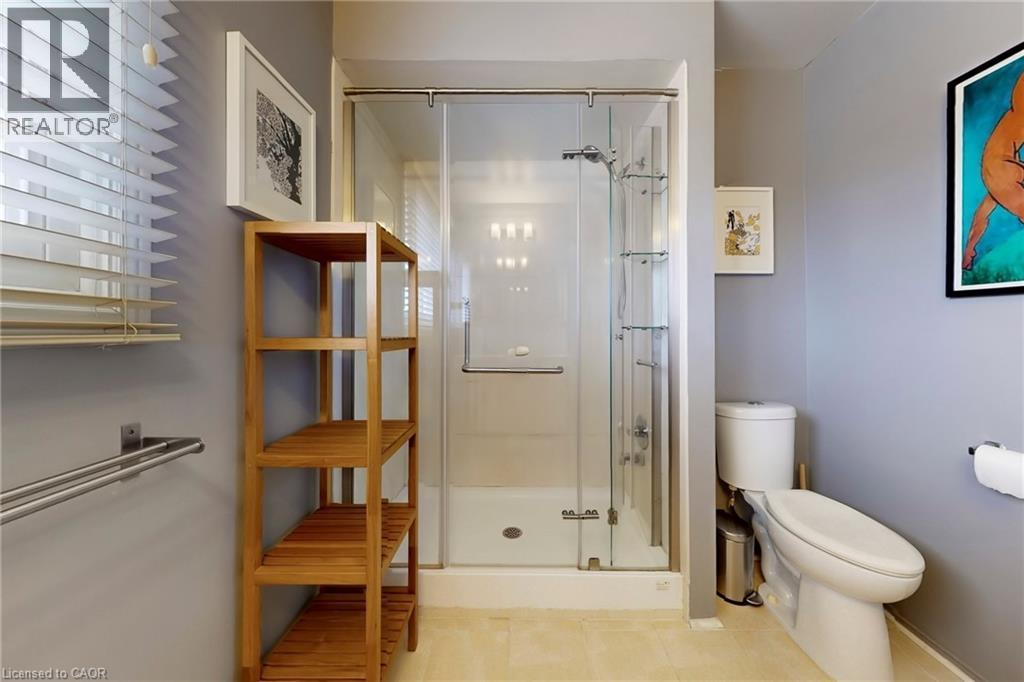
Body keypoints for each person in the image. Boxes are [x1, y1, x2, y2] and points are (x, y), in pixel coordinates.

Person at [962, 70, 1024, 270]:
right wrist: (969, 249)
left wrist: (969, 250)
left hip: (998, 165)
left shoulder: (1001, 184)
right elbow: (980, 219)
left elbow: (980, 219)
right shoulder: (1001, 186)